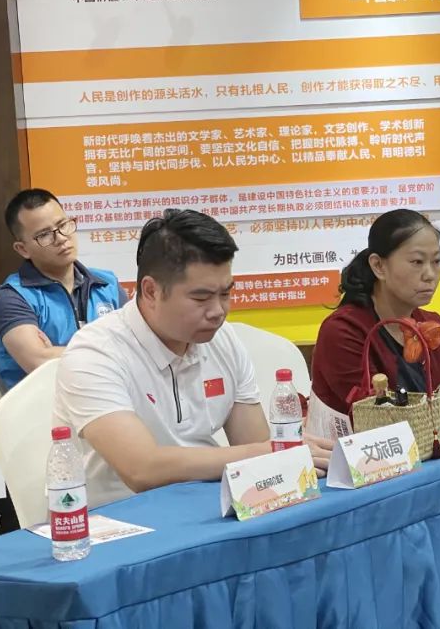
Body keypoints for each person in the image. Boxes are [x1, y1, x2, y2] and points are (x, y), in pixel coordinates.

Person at [53, 209, 332, 508]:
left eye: (225, 294)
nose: (218, 311)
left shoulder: (223, 340)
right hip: (117, 518)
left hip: (207, 507)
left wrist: (285, 454)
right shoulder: (95, 352)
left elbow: (254, 446)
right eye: (201, 298)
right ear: (151, 291)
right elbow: (142, 469)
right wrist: (269, 451)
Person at [311, 209, 440, 418]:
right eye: (417, 262)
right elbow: (376, 416)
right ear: (378, 266)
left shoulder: (433, 325)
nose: (430, 275)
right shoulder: (343, 330)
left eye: (436, 261)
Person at [0, 189, 126, 393]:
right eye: (44, 235)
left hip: (112, 393)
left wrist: (56, 352)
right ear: (23, 249)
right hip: (46, 405)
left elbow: (138, 343)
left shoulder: (107, 283)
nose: (60, 238)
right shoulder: (11, 298)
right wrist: (112, 347)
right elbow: (39, 361)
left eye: (63, 225)